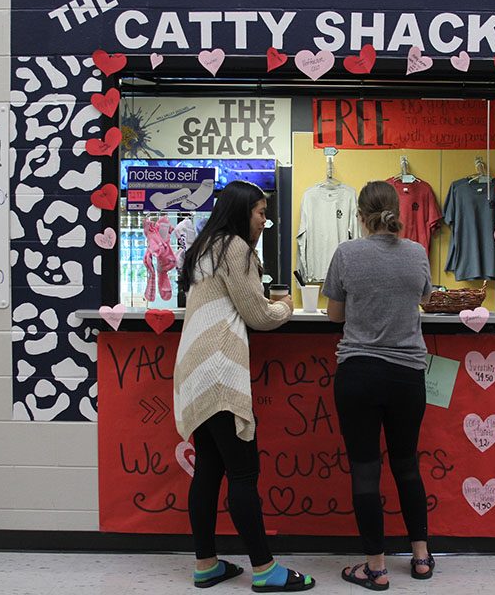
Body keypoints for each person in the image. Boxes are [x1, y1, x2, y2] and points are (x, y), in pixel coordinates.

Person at [174, 180, 316, 592]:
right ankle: (266, 569)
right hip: (220, 370)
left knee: (208, 471)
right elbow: (258, 314)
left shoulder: (206, 246)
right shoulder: (234, 247)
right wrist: (287, 304)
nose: (264, 219)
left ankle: (206, 565)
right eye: (260, 211)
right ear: (241, 212)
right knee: (243, 473)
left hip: (194, 368)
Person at [322, 180, 435, 591]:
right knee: (407, 465)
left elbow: (335, 316)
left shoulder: (347, 254)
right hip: (407, 374)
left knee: (366, 470)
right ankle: (421, 557)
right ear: (395, 211)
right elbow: (424, 298)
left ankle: (376, 567)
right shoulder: (418, 253)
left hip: (359, 373)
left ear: (360, 216)